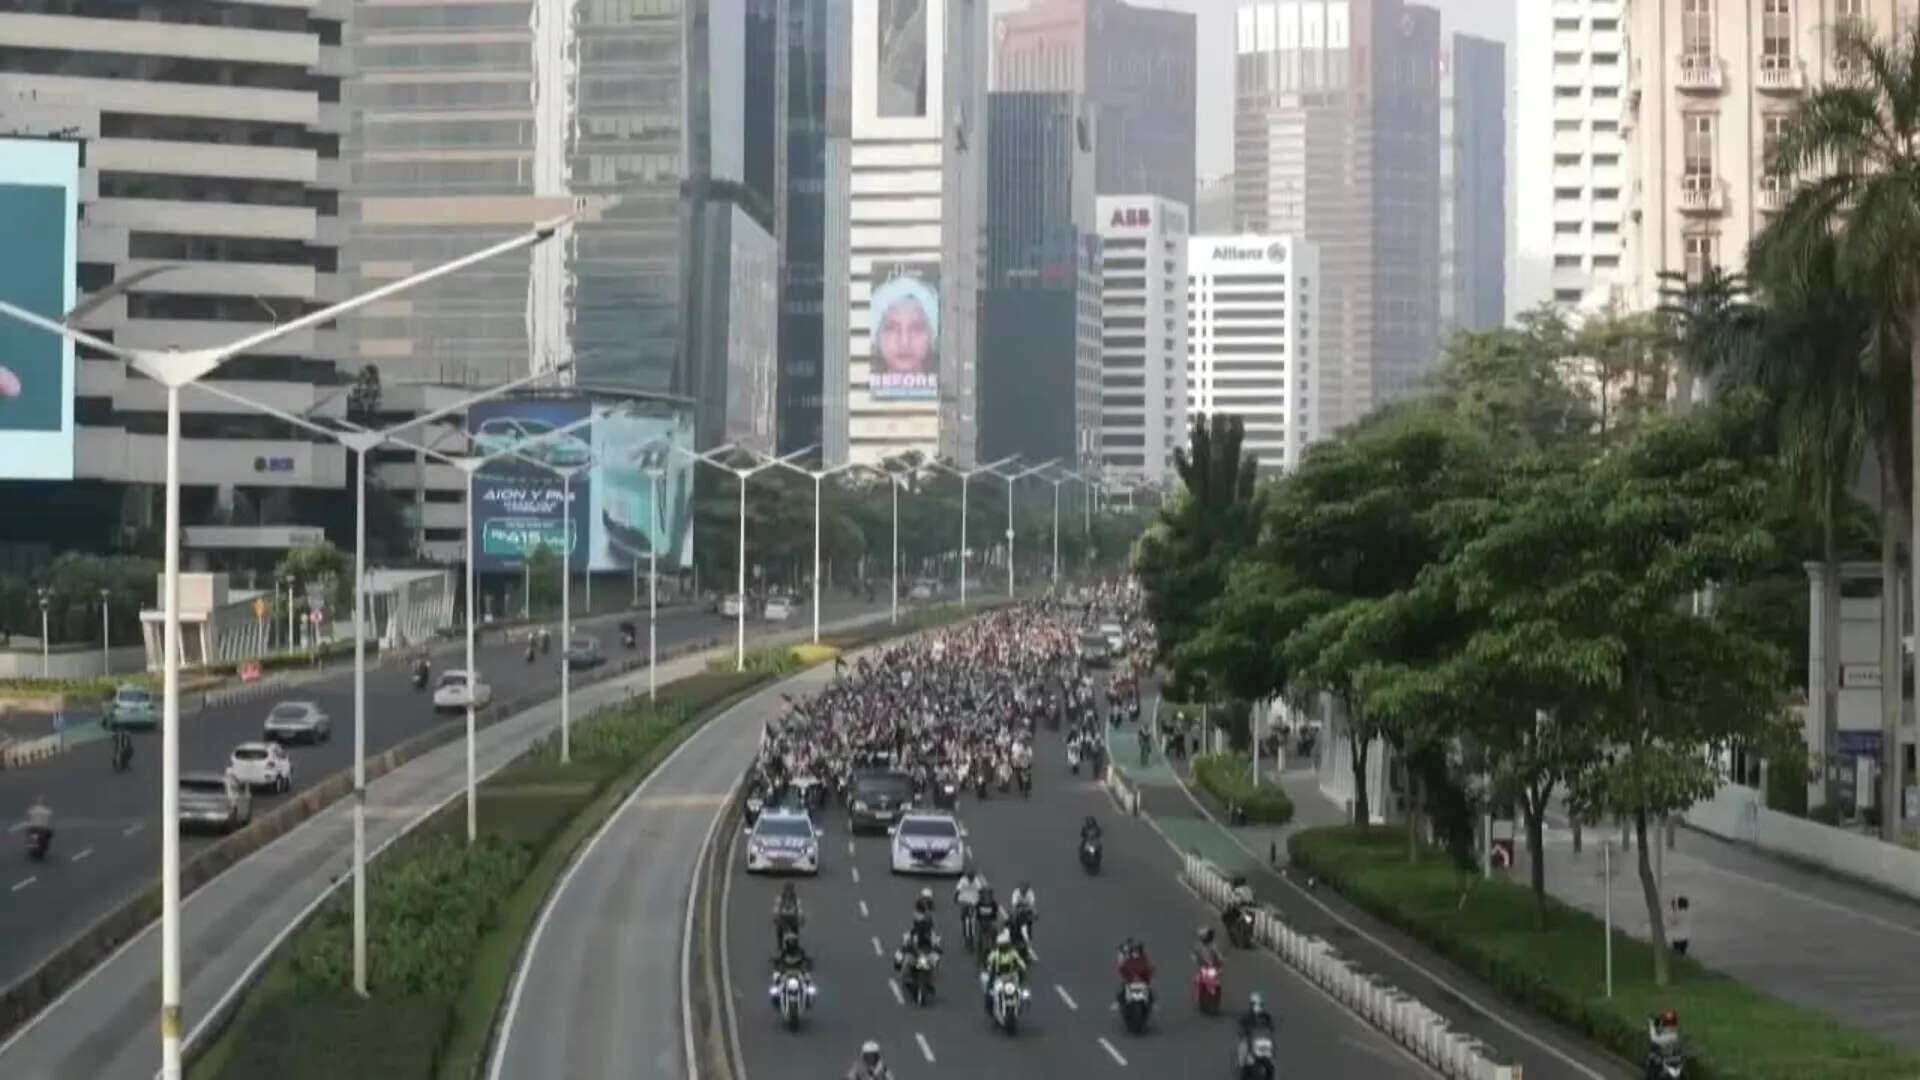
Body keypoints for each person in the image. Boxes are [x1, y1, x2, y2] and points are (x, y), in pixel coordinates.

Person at [981, 929, 1028, 1014]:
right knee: (990, 993)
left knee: (1018, 991)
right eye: (1002, 945)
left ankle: (1018, 1004)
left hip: (1012, 976)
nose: (1004, 947)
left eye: (1005, 945)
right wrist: (989, 968)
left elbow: (1020, 961)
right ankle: (990, 1009)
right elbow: (989, 962)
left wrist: (1023, 967)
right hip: (999, 977)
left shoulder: (1013, 953)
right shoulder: (995, 954)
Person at [1237, 991, 1277, 1064]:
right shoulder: (1246, 1016)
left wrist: (1271, 1029)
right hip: (1250, 1037)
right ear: (1251, 1005)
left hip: (1262, 1037)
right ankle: (1242, 1064)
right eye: (1255, 1004)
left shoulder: (1266, 1016)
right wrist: (1242, 1031)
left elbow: (1271, 1025)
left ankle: (1272, 1059)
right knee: (1243, 1045)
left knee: (1271, 1043)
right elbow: (1240, 1025)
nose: (1258, 1006)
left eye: (1260, 1004)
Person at [1116, 938, 1155, 1006]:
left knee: (1150, 992)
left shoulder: (1143, 958)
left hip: (1141, 979)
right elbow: (1123, 967)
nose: (1135, 953)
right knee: (1122, 990)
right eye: (1134, 951)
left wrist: (1148, 975)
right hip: (1130, 979)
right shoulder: (1128, 958)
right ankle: (1117, 1003)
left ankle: (1152, 1004)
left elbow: (1147, 967)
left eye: (1137, 951)